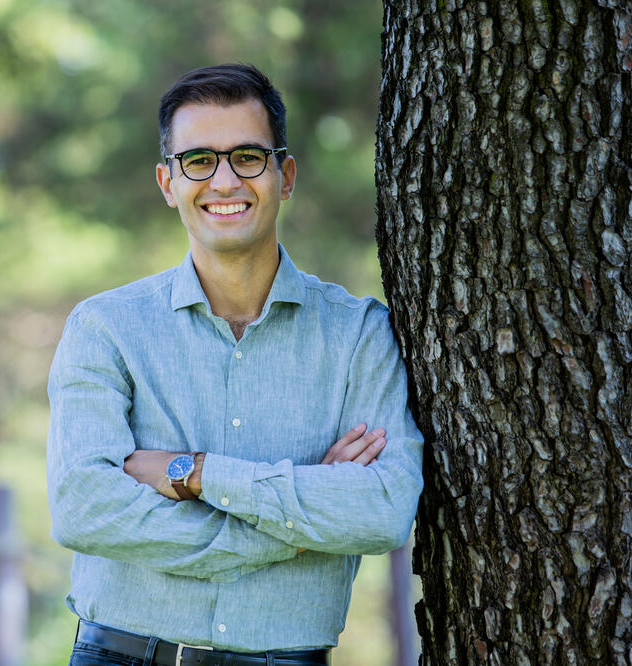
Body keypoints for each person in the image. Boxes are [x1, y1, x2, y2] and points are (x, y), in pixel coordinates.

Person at [47, 63, 424, 666]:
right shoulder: (105, 329)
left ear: (285, 174)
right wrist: (296, 523)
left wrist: (196, 474)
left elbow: (382, 512)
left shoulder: (359, 334)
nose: (224, 180)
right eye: (199, 160)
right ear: (168, 182)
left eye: (248, 156)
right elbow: (82, 508)